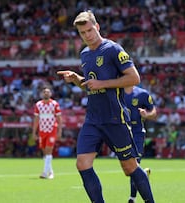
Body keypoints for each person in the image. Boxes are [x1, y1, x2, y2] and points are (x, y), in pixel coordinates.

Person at [57, 10, 155, 203]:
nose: (87, 35)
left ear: (97, 27)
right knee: (82, 163)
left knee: (130, 167)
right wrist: (77, 80)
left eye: (89, 30)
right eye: (82, 33)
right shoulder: (85, 54)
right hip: (93, 119)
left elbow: (134, 78)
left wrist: (102, 84)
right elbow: (91, 85)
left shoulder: (113, 49)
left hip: (115, 118)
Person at [124, 85, 157, 203]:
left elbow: (153, 112)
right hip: (122, 134)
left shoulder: (142, 94)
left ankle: (132, 198)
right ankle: (144, 174)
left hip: (137, 134)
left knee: (134, 165)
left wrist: (147, 115)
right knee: (128, 169)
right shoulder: (116, 92)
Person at [32, 86, 62, 179]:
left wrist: (59, 131)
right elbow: (36, 119)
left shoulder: (54, 104)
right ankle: (51, 172)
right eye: (45, 92)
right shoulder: (38, 105)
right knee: (45, 152)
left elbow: (59, 118)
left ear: (51, 94)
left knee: (49, 150)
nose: (46, 93)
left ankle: (45, 173)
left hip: (52, 129)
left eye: (48, 92)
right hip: (42, 130)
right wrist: (34, 132)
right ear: (42, 94)